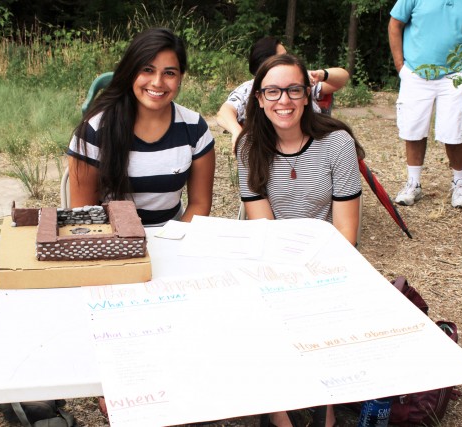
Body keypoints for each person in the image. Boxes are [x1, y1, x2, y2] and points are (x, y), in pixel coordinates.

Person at [237, 54, 362, 427]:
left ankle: (325, 407)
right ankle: (279, 412)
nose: (283, 100)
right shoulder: (248, 147)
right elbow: (266, 230)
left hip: (328, 258)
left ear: (307, 95)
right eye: (272, 91)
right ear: (258, 98)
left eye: (293, 90)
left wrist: (314, 277)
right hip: (274, 259)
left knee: (321, 307)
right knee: (261, 309)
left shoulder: (337, 143)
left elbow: (346, 233)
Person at [67, 27, 216, 226]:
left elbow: (200, 203)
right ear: (131, 71)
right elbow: (83, 215)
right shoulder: (94, 130)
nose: (157, 82)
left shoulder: (195, 128)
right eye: (147, 70)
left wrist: (171, 241)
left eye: (169, 73)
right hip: (111, 243)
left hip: (171, 240)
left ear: (180, 78)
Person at [388, 0, 462, 208]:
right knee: (413, 129)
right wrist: (400, 66)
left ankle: (459, 183)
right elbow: (395, 24)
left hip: (457, 75)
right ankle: (413, 184)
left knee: (455, 131)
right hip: (416, 73)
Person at [216, 36, 350, 152]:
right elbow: (224, 113)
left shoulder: (298, 81)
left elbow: (342, 78)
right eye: (284, 57)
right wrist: (236, 131)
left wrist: (321, 74)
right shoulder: (249, 89)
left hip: (315, 145)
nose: (284, 100)